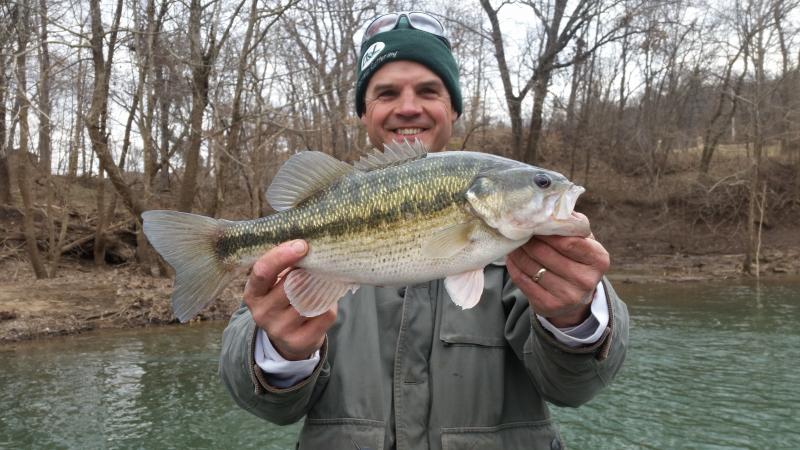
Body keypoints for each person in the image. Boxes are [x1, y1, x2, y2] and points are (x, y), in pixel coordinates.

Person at [220, 11, 628, 450]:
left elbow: (575, 388)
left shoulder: (534, 250)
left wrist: (576, 318)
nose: (409, 106)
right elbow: (261, 403)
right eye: (387, 93)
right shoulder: (312, 234)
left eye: (429, 91)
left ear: (453, 108)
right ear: (364, 111)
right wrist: (281, 353)